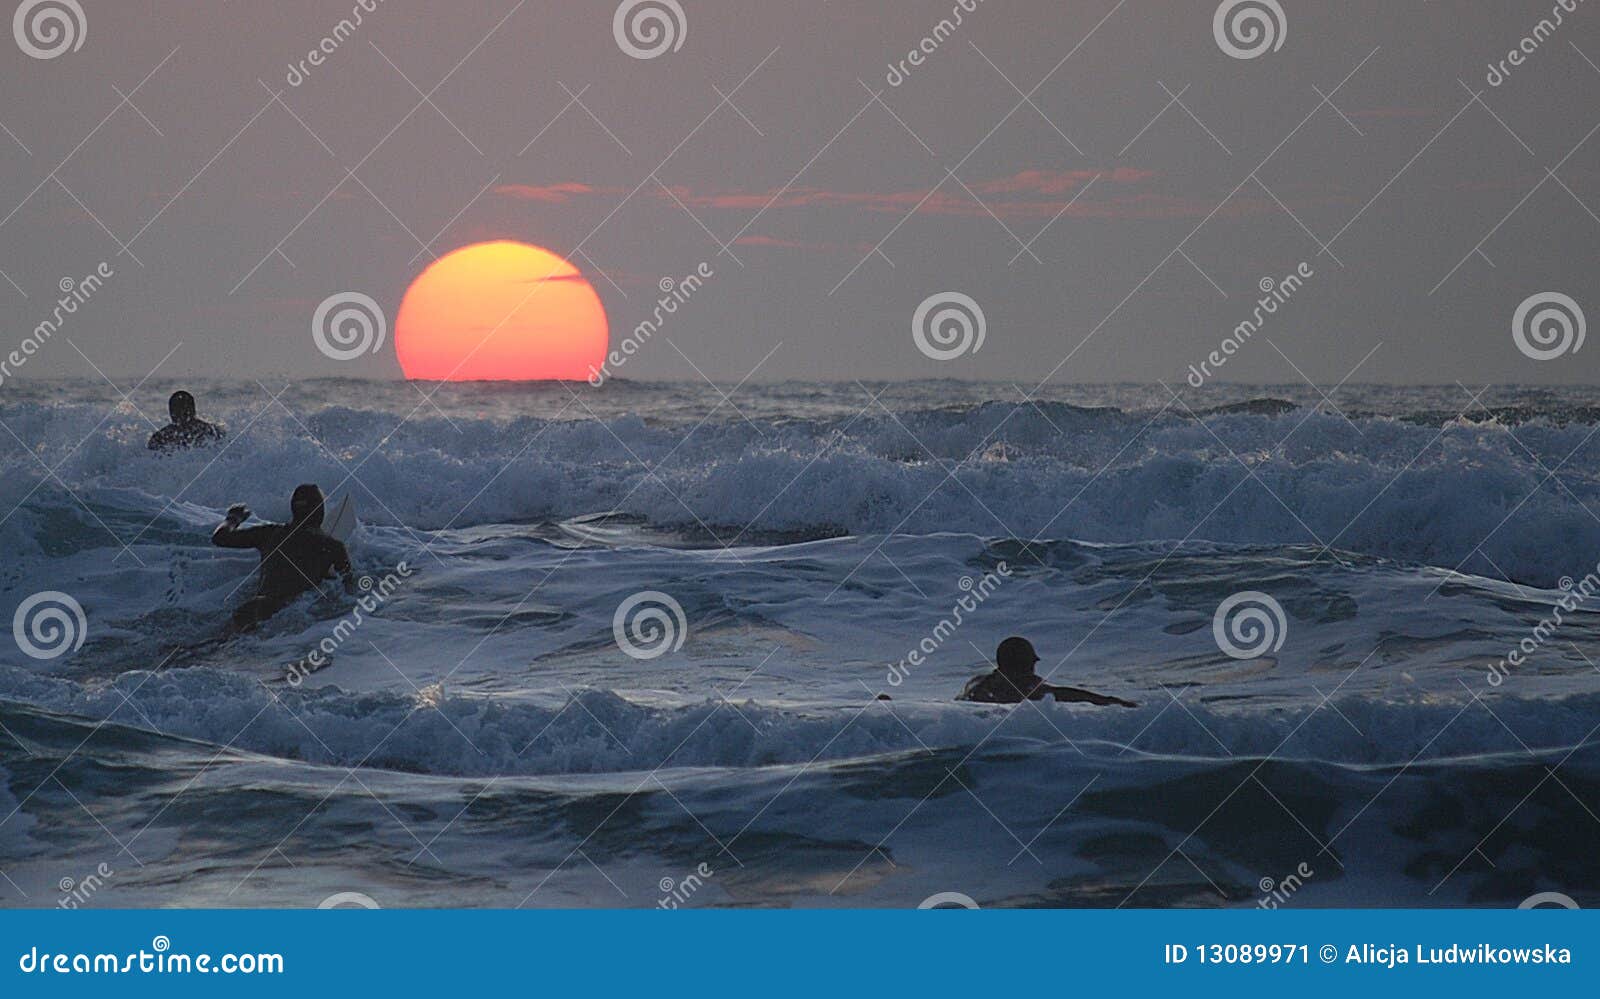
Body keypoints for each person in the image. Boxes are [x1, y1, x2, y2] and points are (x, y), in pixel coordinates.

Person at [212, 484, 354, 631]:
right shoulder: (333, 546)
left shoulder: (269, 533)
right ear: (320, 511)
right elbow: (348, 590)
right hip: (286, 614)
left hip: (252, 608)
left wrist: (233, 518)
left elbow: (220, 538)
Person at [957, 636, 1137, 706]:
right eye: (1032, 663)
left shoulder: (976, 682)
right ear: (1026, 664)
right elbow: (1060, 694)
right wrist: (1110, 701)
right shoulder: (1024, 685)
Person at [148, 390, 225, 452]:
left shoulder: (161, 437)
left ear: (171, 413)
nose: (181, 414)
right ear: (193, 410)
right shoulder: (213, 430)